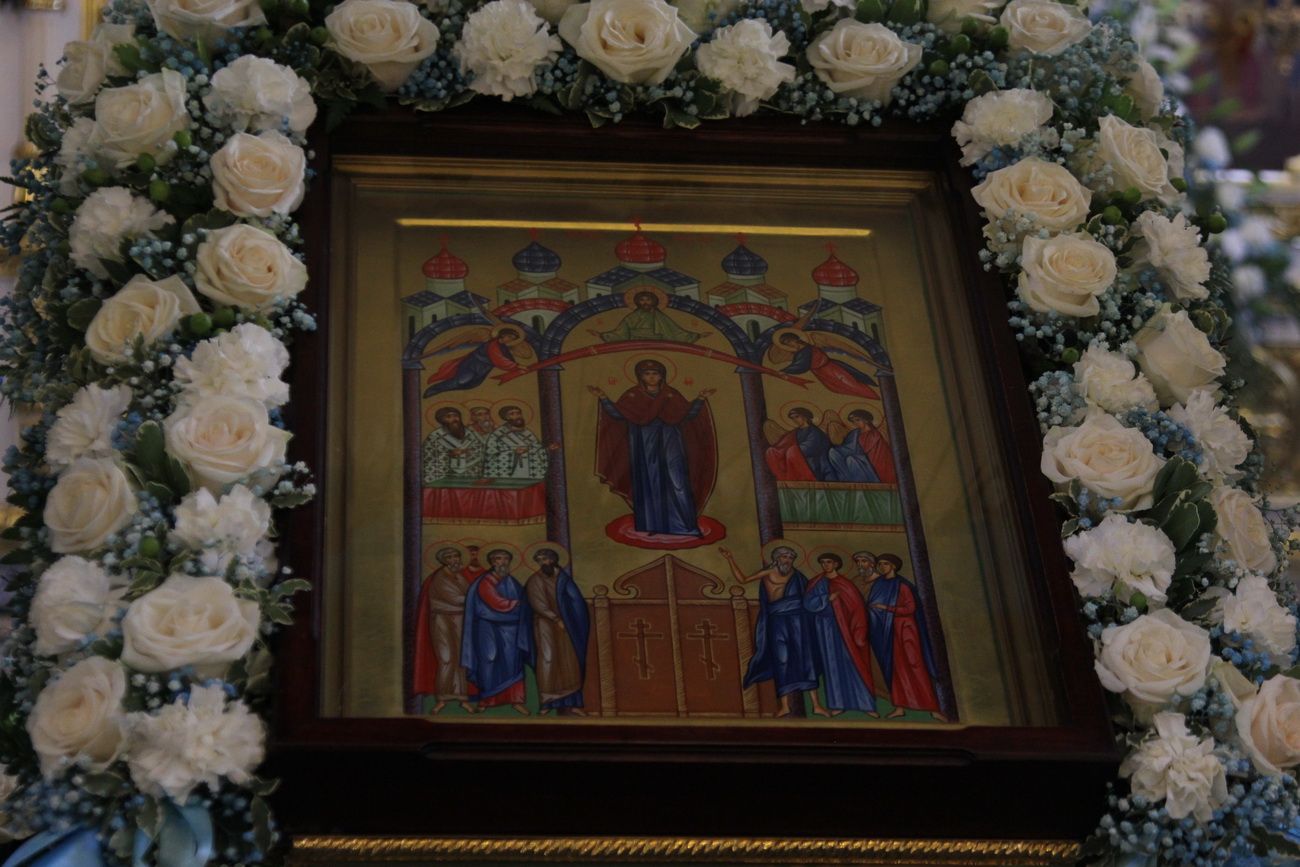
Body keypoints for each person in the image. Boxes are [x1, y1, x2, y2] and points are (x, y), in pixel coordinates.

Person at [590, 359, 716, 537]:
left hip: (671, 442)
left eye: (655, 374)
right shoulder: (633, 395)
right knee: (650, 482)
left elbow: (687, 414)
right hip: (645, 445)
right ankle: (654, 525)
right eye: (647, 374)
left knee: (677, 479)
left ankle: (685, 525)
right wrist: (603, 397)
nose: (651, 377)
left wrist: (700, 399)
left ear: (662, 376)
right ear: (640, 376)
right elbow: (618, 414)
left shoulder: (671, 394)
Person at [720, 545, 825, 717]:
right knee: (781, 659)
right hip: (777, 621)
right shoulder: (768, 573)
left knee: (805, 658)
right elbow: (743, 579)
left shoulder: (798, 576)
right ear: (776, 558)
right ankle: (784, 706)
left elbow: (810, 597)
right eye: (784, 557)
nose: (787, 561)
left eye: (790, 558)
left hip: (798, 620)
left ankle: (816, 704)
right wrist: (730, 558)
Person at [867, 553, 945, 721]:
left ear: (893, 566)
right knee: (896, 669)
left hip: (906, 631)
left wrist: (886, 608)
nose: (882, 567)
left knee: (916, 666)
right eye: (880, 564)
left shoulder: (902, 585)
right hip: (888, 633)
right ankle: (899, 707)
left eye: (885, 564)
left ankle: (933, 708)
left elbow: (910, 609)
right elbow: (871, 606)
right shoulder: (879, 584)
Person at [803, 553, 877, 716]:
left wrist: (859, 630)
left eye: (829, 562)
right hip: (824, 628)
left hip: (844, 629)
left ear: (836, 564)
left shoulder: (845, 584)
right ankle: (838, 704)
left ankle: (866, 705)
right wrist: (827, 598)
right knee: (832, 666)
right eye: (823, 562)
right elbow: (808, 603)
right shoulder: (816, 582)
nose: (825, 565)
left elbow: (857, 608)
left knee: (852, 663)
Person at [461, 548, 533, 715]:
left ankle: (516, 700)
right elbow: (495, 602)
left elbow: (524, 598)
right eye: (499, 559)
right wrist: (515, 604)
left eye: (506, 559)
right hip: (488, 629)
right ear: (492, 562)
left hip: (511, 630)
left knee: (513, 664)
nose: (503, 562)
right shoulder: (485, 581)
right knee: (489, 661)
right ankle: (486, 701)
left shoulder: (512, 581)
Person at [525, 548, 589, 715]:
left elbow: (576, 601)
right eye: (539, 560)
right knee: (548, 658)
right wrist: (555, 619)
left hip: (567, 625)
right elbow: (537, 603)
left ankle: (573, 703)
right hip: (545, 624)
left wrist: (571, 619)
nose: (543, 563)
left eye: (545, 559)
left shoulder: (564, 579)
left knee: (570, 660)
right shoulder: (535, 580)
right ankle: (547, 703)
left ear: (553, 559)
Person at [412, 546, 476, 714]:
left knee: (460, 659)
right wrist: (478, 598)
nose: (454, 560)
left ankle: (462, 698)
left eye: (456, 556)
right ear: (443, 561)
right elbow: (457, 598)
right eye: (450, 558)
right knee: (446, 658)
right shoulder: (440, 578)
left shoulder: (459, 576)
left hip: (460, 620)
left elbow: (469, 593)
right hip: (443, 620)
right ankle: (442, 698)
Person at [424, 326, 533, 399]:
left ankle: (443, 390)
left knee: (472, 385)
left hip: (483, 369)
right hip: (472, 364)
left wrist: (518, 367)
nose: (510, 340)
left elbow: (508, 359)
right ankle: (434, 389)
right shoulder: (493, 344)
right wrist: (517, 366)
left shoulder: (503, 348)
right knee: (462, 380)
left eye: (512, 338)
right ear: (502, 335)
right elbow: (498, 359)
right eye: (509, 336)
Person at [773, 331, 880, 400]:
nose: (788, 344)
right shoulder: (800, 351)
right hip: (822, 373)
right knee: (840, 388)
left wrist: (785, 370)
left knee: (851, 385)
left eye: (788, 341)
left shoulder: (805, 350)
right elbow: (800, 363)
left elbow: (802, 365)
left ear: (795, 339)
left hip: (832, 370)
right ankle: (873, 398)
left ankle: (874, 397)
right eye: (785, 343)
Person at [595, 290, 705, 343]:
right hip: (635, 343)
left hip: (657, 343)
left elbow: (674, 331)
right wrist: (603, 335)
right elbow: (621, 332)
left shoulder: (659, 316)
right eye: (642, 300)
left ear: (653, 301)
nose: (645, 302)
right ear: (638, 302)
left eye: (648, 299)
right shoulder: (632, 316)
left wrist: (697, 336)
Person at [764, 407, 833, 482]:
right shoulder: (795, 432)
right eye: (793, 418)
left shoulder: (815, 432)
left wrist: (792, 450)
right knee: (771, 451)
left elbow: (810, 448)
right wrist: (775, 452)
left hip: (813, 464)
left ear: (805, 417)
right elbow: (783, 445)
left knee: (792, 451)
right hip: (796, 459)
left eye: (797, 417)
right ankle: (785, 480)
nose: (795, 420)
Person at [829, 409, 896, 484]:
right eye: (853, 421)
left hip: (870, 468)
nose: (855, 423)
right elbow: (847, 447)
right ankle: (847, 479)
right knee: (833, 453)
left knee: (851, 460)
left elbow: (867, 453)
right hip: (854, 460)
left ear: (866, 420)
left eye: (857, 420)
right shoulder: (854, 433)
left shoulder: (874, 435)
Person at [485, 405, 549, 481]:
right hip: (511, 474)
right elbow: (491, 455)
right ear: (506, 417)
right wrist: (514, 453)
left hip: (531, 471)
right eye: (512, 414)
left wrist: (547, 449)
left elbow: (538, 448)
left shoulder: (527, 433)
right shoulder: (497, 434)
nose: (517, 416)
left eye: (518, 413)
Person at [423, 406, 484, 482]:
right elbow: (428, 455)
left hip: (470, 472)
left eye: (456, 416)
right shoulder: (435, 436)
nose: (454, 419)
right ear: (441, 420)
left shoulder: (471, 433)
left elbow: (481, 450)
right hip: (445, 473)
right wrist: (449, 454)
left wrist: (469, 452)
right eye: (448, 417)